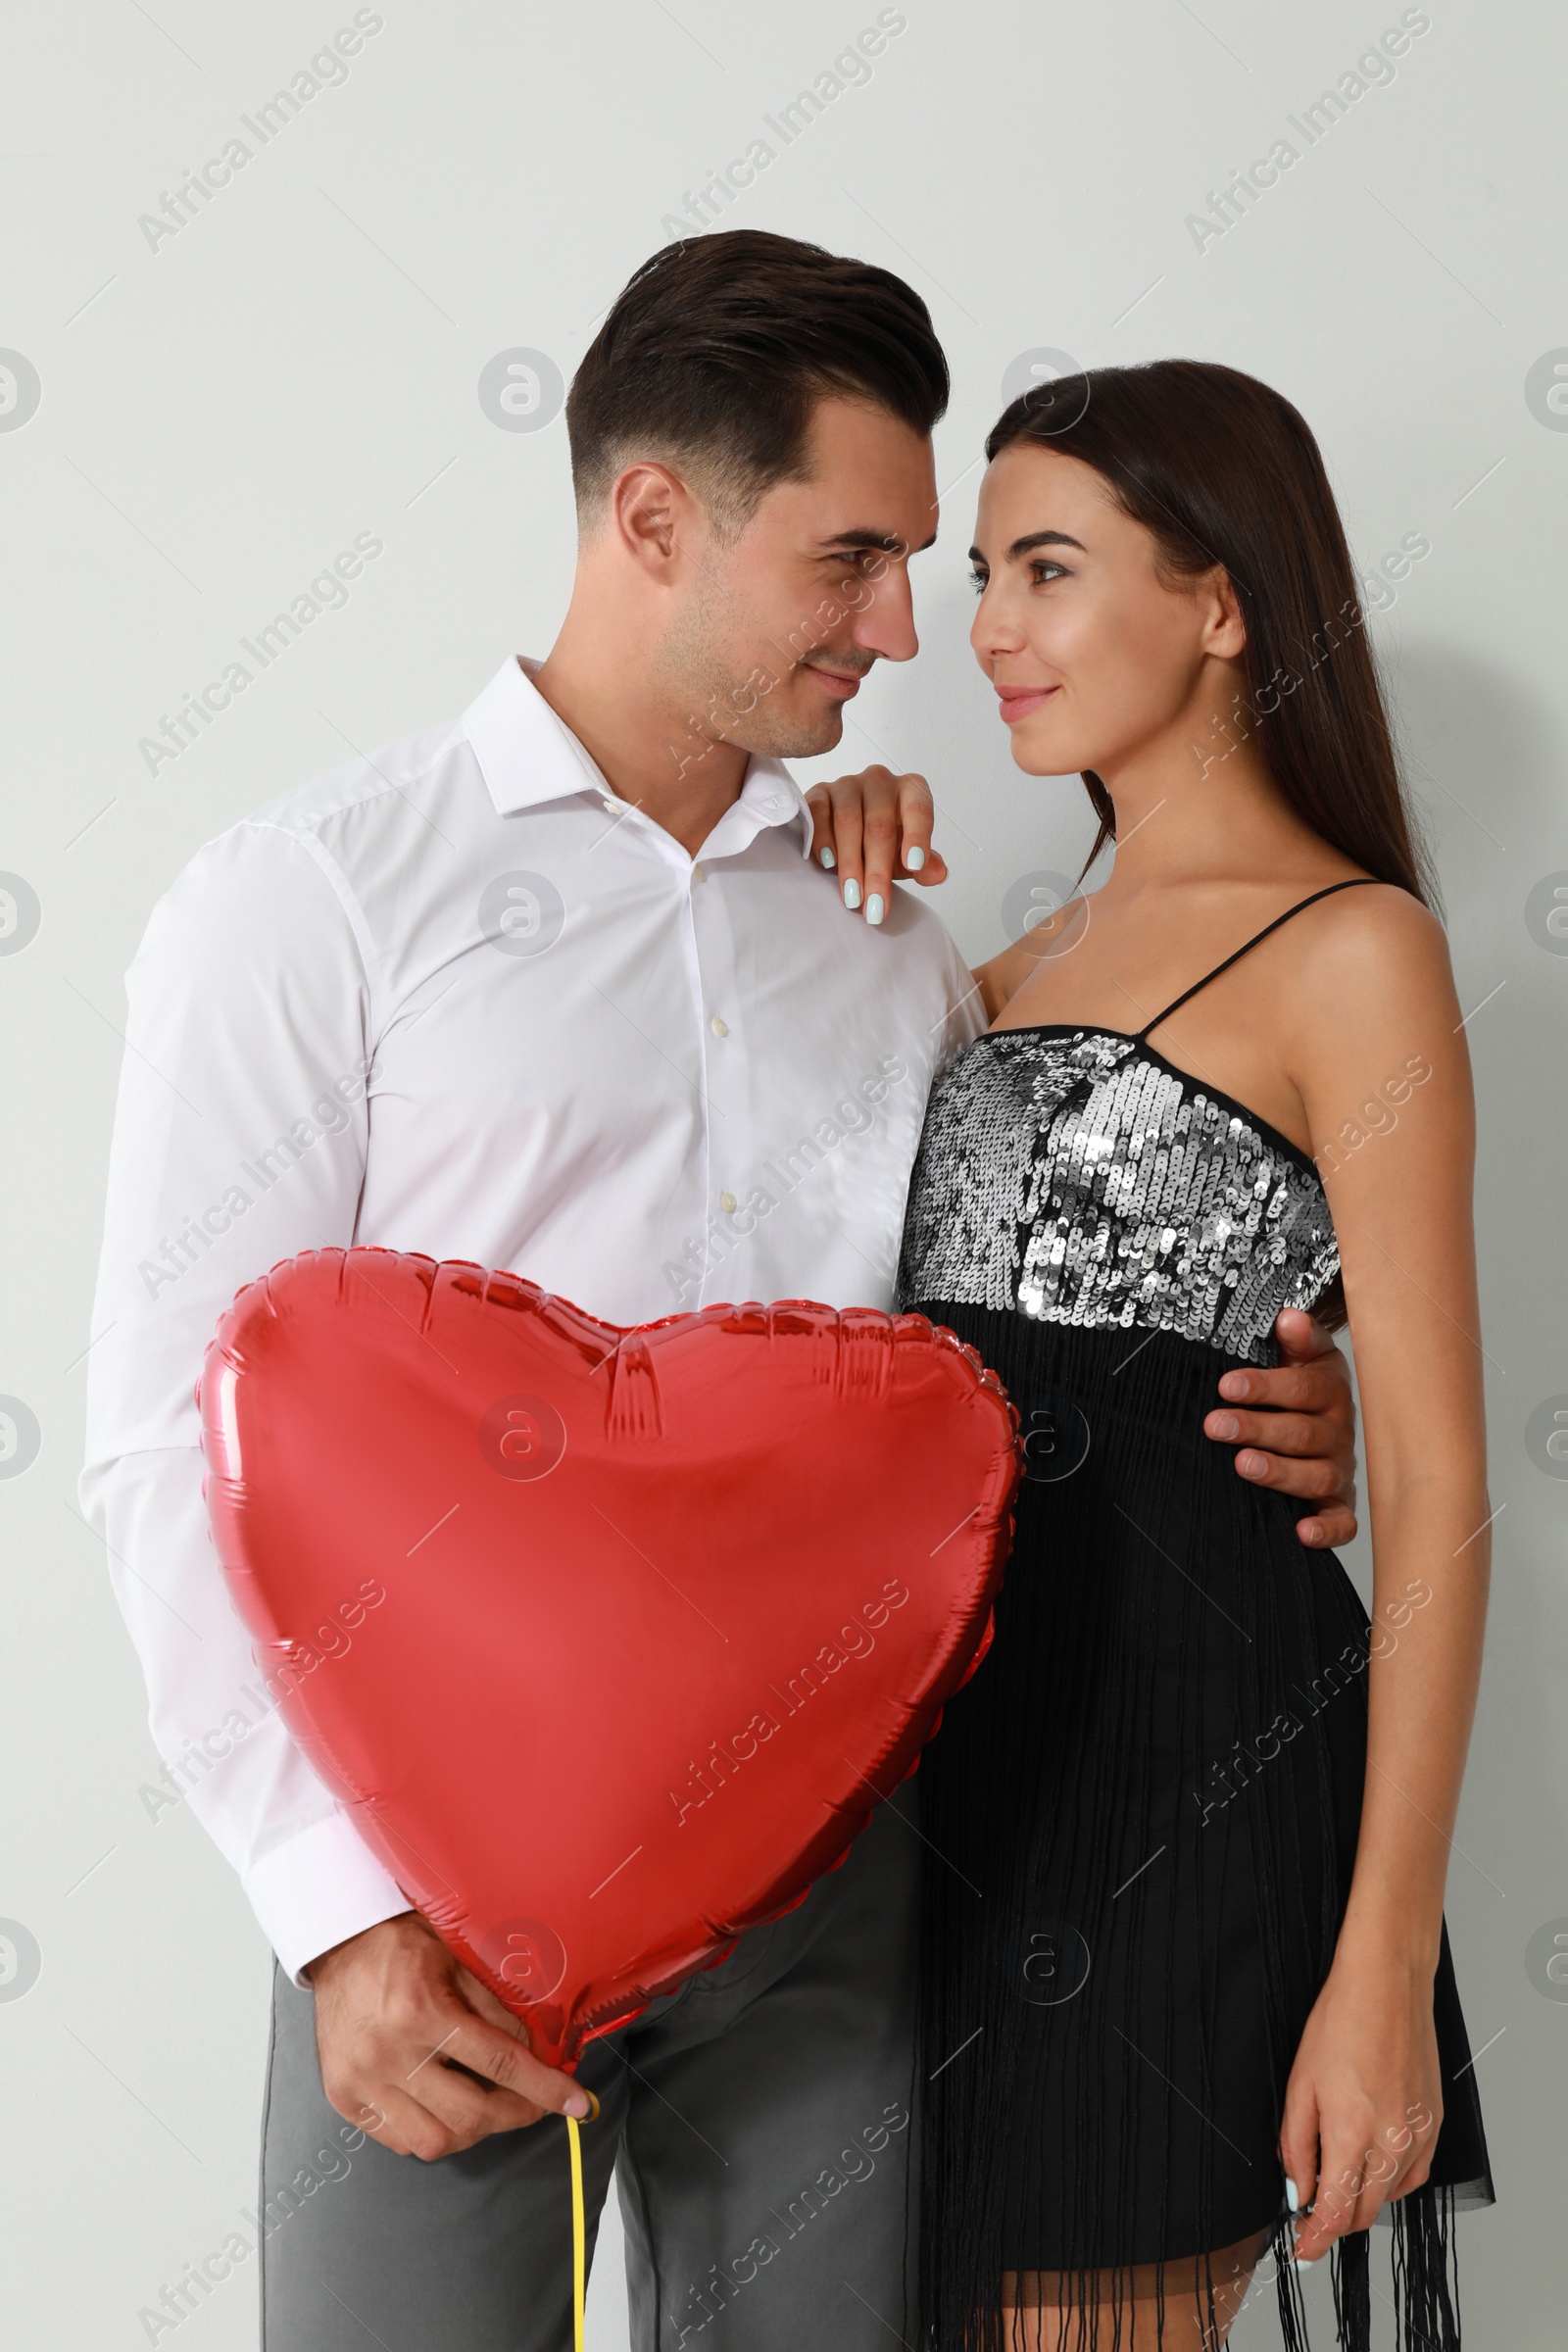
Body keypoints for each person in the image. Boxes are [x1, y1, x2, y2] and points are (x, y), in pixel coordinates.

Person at [80, 241, 1358, 2352]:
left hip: (826, 1904)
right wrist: (334, 1924)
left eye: (914, 566)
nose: (899, 631)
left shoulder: (887, 942)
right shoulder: (308, 900)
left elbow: (1000, 1335)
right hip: (430, 1885)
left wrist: (1303, 1414)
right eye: (849, 562)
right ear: (652, 518)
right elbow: (161, 1440)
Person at [815, 361, 1493, 2350]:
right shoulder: (992, 963)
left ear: (1218, 602)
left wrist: (1375, 1975)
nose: (986, 633)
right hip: (938, 1786)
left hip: (1179, 1783)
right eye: (975, 576)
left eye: (1043, 569)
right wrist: (812, 848)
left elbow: (1442, 1493)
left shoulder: (1349, 948)